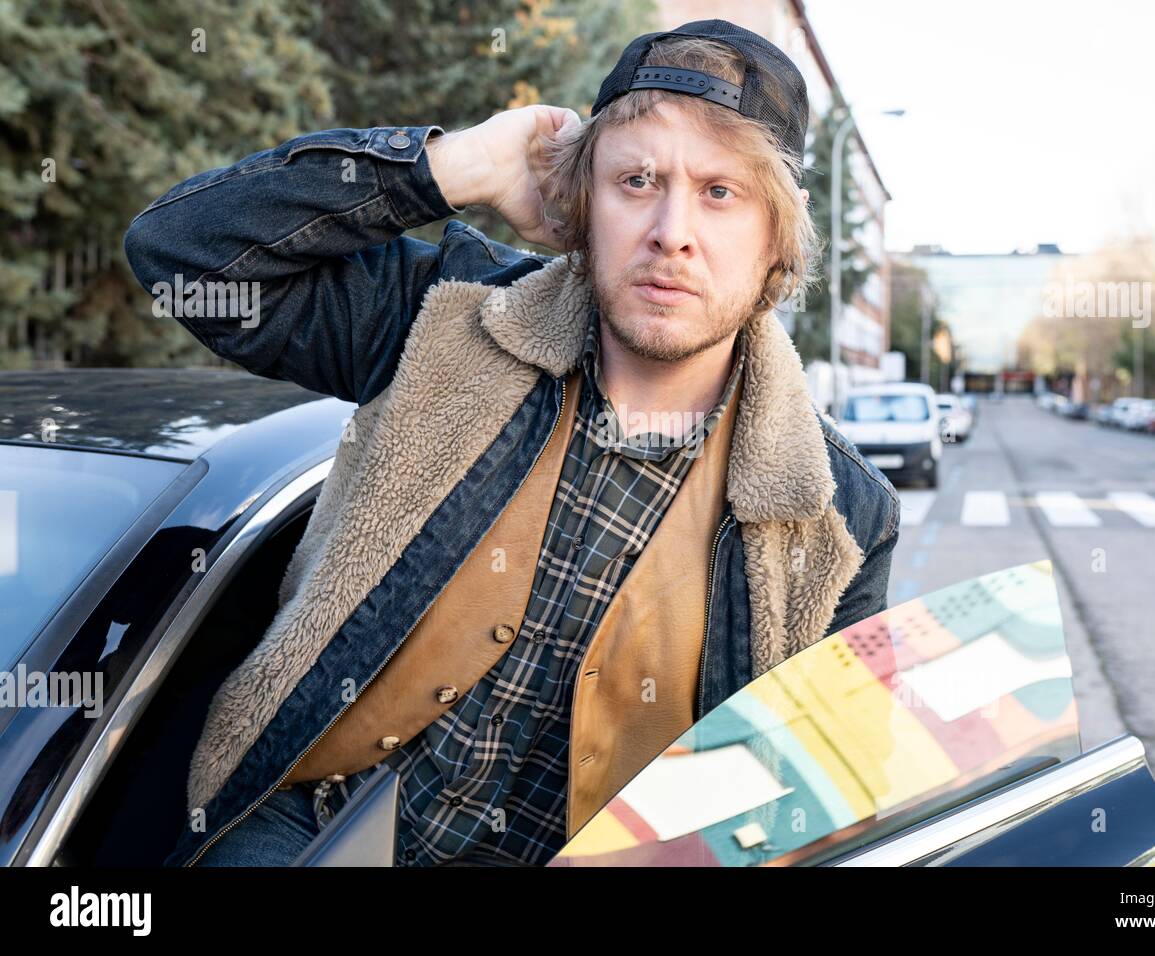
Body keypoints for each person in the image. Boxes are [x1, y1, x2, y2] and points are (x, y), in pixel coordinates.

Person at [124, 18, 899, 868]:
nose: (671, 230)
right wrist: (453, 167)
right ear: (581, 206)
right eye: (636, 180)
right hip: (316, 837)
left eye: (721, 193)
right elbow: (183, 255)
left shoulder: (842, 514)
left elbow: (828, 811)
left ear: (775, 240)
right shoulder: (444, 317)